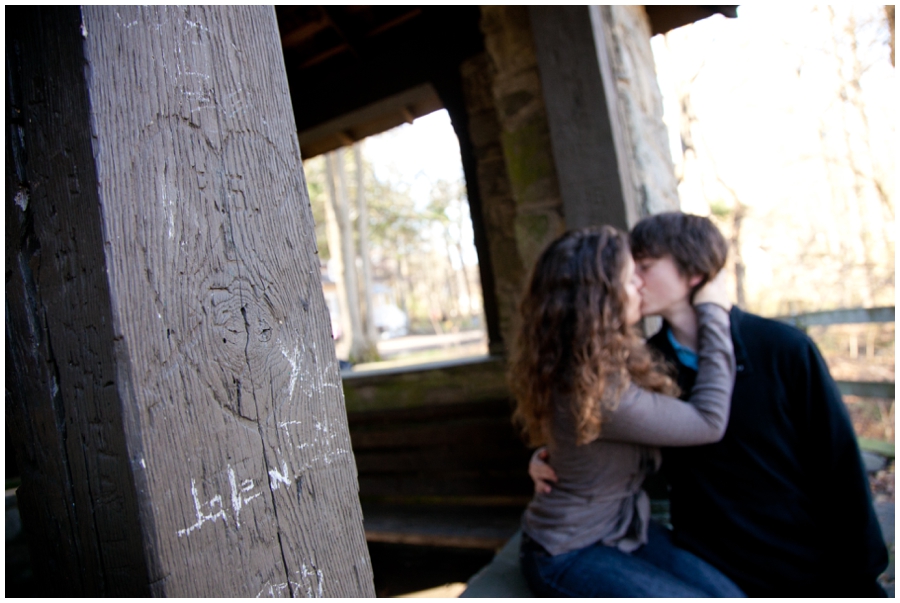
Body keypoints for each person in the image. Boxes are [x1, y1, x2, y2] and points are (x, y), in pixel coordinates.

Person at [530, 212, 889, 597]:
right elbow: (605, 433)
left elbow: (838, 464)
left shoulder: (783, 349)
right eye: (630, 269)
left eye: (645, 266)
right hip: (712, 559)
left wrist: (864, 573)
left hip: (802, 559)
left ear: (695, 274)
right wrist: (550, 457)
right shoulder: (643, 367)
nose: (634, 280)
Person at [510, 225, 745, 597]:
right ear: (598, 297)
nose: (639, 284)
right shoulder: (597, 388)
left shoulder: (594, 359)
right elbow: (708, 422)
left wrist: (546, 456)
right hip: (568, 550)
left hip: (625, 529)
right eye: (629, 276)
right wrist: (714, 312)